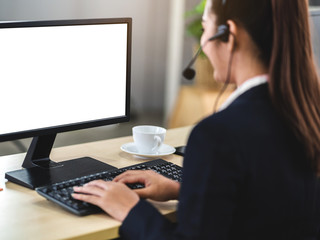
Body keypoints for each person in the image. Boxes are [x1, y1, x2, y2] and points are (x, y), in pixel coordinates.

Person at [72, 0, 320, 239]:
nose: (203, 41)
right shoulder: (306, 113)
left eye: (204, 28)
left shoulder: (217, 135)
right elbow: (273, 201)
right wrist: (186, 191)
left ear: (229, 35)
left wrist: (129, 209)